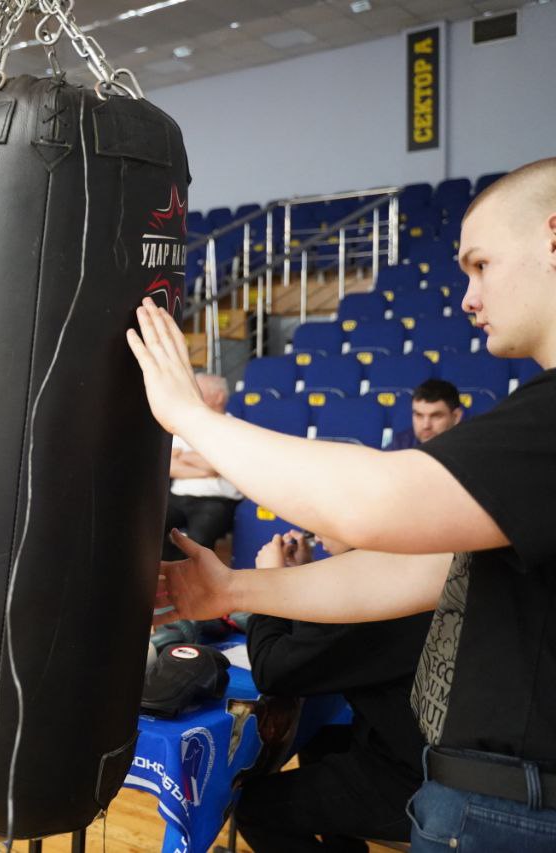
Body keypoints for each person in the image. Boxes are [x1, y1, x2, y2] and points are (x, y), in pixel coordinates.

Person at [126, 158, 556, 851]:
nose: (468, 298)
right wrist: (234, 588)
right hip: (484, 797)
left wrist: (191, 417)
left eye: (481, 265)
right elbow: (414, 570)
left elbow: (374, 506)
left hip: (518, 805)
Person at [236, 530, 431, 851]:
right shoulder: (407, 560)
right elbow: (320, 641)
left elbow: (273, 671)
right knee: (320, 740)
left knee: (254, 809)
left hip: (415, 779)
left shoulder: (372, 589)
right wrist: (303, 577)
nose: (314, 530)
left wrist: (268, 583)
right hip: (418, 750)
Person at [163, 373, 242, 558]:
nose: (191, 395)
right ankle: (173, 569)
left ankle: (189, 573)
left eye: (198, 391)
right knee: (147, 527)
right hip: (178, 497)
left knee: (198, 543)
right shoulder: (183, 425)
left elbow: (218, 466)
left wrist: (183, 456)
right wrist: (206, 470)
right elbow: (169, 465)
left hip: (216, 501)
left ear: (219, 397)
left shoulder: (236, 428)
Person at [386, 379, 462, 450]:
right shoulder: (401, 445)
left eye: (435, 416)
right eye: (419, 415)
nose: (426, 426)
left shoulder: (467, 448)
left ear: (456, 417)